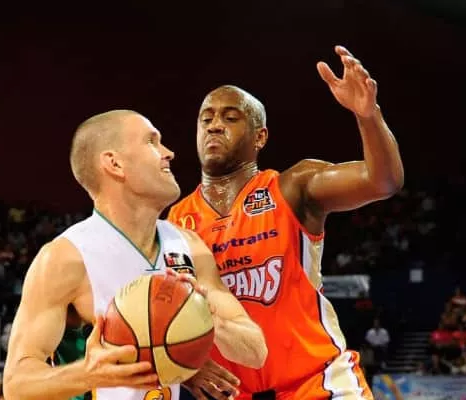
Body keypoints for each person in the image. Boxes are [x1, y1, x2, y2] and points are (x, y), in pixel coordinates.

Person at [168, 45, 404, 399]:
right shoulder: (177, 220)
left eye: (230, 118)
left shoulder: (293, 187)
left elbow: (382, 181)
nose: (215, 125)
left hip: (317, 381)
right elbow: (165, 313)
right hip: (234, 393)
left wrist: (368, 116)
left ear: (260, 136)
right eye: (206, 119)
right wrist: (185, 367)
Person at [3, 110, 267, 400]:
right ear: (114, 163)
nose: (169, 153)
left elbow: (256, 352)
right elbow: (17, 385)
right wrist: (87, 375)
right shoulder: (66, 257)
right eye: (152, 142)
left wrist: (202, 324)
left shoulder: (189, 246)